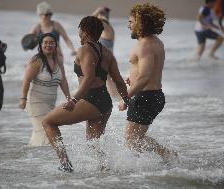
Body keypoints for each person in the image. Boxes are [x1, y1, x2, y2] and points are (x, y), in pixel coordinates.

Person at [42, 16, 129, 172]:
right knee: (94, 143)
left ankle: (65, 164)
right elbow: (119, 81)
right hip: (104, 102)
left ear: (86, 32)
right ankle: (106, 172)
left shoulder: (84, 50)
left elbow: (88, 78)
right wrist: (127, 101)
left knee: (48, 122)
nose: (79, 35)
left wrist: (74, 100)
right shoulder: (107, 53)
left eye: (80, 31)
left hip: (91, 99)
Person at [119, 3, 177, 160]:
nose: (128, 25)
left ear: (141, 23)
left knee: (131, 141)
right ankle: (166, 155)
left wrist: (125, 97)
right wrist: (133, 77)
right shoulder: (156, 41)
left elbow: (145, 76)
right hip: (154, 95)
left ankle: (160, 159)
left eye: (131, 22)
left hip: (146, 96)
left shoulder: (144, 45)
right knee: (136, 139)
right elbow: (149, 71)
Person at [19, 33, 71, 146]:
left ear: (56, 45)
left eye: (51, 43)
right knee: (46, 131)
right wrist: (23, 98)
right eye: (45, 42)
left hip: (51, 102)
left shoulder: (59, 60)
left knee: (44, 130)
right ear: (40, 45)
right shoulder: (36, 61)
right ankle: (44, 158)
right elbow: (26, 80)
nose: (48, 45)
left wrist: (69, 98)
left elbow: (63, 81)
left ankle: (33, 155)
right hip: (36, 102)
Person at [92, 6, 119, 97]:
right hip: (108, 59)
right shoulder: (108, 27)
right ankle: (116, 100)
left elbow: (89, 21)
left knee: (106, 81)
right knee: (107, 81)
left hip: (105, 60)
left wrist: (97, 10)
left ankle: (115, 100)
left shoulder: (104, 24)